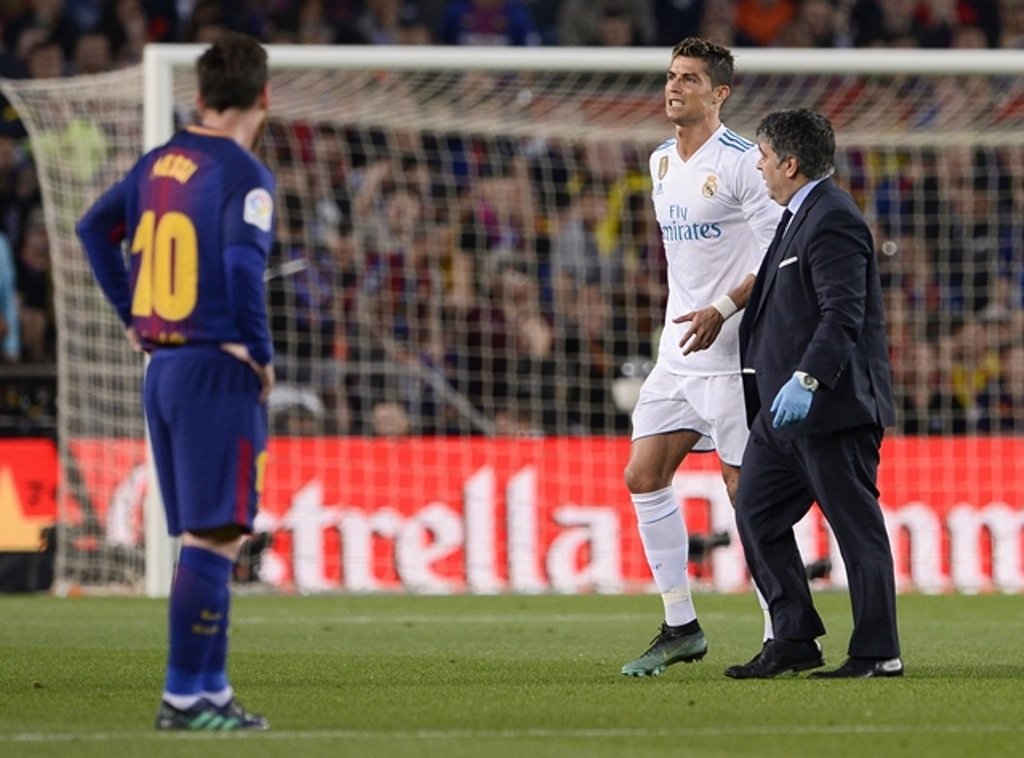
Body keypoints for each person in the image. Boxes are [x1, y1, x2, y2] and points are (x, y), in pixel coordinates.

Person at [76, 32, 275, 728]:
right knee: (214, 537)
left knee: (206, 533)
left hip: (162, 366)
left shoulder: (158, 161)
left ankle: (210, 690)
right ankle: (187, 695)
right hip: (216, 366)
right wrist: (260, 353)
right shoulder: (243, 174)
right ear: (263, 97)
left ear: (198, 96)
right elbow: (244, 270)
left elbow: (92, 228)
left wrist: (133, 313)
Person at [619, 37, 781, 677]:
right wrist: (693, 312)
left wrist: (724, 308)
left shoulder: (744, 162)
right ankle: (681, 624)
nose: (674, 86)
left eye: (689, 78)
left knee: (748, 495)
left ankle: (782, 631)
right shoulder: (659, 162)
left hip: (734, 351)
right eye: (670, 75)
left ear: (720, 93)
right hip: (676, 353)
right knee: (642, 474)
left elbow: (777, 253)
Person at [726, 108, 902, 679]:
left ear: (790, 163)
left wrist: (808, 378)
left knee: (856, 530)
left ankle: (879, 652)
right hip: (780, 419)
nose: (759, 165)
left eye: (763, 156)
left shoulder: (833, 218)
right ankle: (795, 636)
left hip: (831, 409)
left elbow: (843, 312)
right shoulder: (797, 216)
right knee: (755, 515)